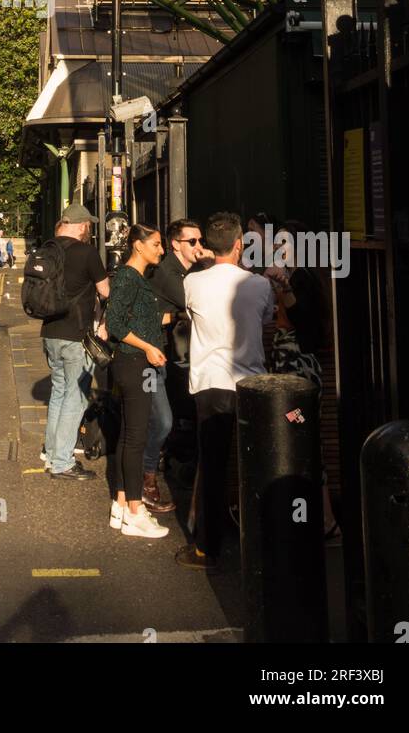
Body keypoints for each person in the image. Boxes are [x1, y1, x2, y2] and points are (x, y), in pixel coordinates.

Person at [176, 211, 275, 570]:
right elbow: (267, 320)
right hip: (252, 385)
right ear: (239, 245)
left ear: (208, 246)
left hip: (211, 385)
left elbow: (187, 314)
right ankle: (264, 540)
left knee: (213, 467)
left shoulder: (193, 283)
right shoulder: (260, 285)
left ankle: (206, 547)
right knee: (259, 466)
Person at [267, 221, 341, 542]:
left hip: (299, 372)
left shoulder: (302, 279)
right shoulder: (300, 278)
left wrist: (283, 288)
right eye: (277, 243)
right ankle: (312, 519)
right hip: (292, 369)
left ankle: (317, 520)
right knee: (297, 436)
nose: (278, 249)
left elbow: (302, 319)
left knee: (300, 436)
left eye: (285, 244)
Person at [105, 224, 171, 538]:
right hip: (136, 365)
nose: (161, 250)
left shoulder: (135, 278)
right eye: (156, 244)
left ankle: (120, 503)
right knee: (137, 437)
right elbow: (115, 323)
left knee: (128, 435)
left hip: (135, 363)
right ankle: (135, 510)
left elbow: (140, 319)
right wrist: (149, 348)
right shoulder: (128, 277)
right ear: (138, 246)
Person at [140, 218, 209, 513]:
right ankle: (145, 481)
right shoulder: (169, 271)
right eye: (192, 242)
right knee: (160, 419)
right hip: (146, 354)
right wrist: (212, 264)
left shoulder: (185, 270)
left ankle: (151, 471)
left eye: (201, 240)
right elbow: (192, 302)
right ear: (175, 245)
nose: (199, 246)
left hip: (163, 353)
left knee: (164, 417)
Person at [40, 203, 111, 482]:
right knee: (76, 397)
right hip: (76, 335)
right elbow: (105, 291)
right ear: (82, 225)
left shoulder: (47, 249)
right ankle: (62, 462)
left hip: (49, 332)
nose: (89, 230)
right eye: (89, 226)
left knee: (59, 393)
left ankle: (52, 451)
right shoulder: (86, 253)